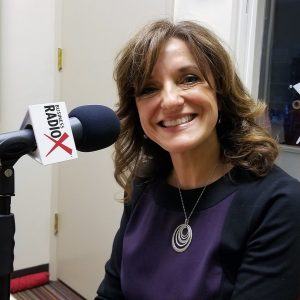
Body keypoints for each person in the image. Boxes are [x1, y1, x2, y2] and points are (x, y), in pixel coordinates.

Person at [95, 19, 300, 300]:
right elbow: (111, 295)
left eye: (189, 79)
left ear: (219, 89)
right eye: (148, 88)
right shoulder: (142, 186)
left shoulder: (279, 203)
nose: (169, 101)